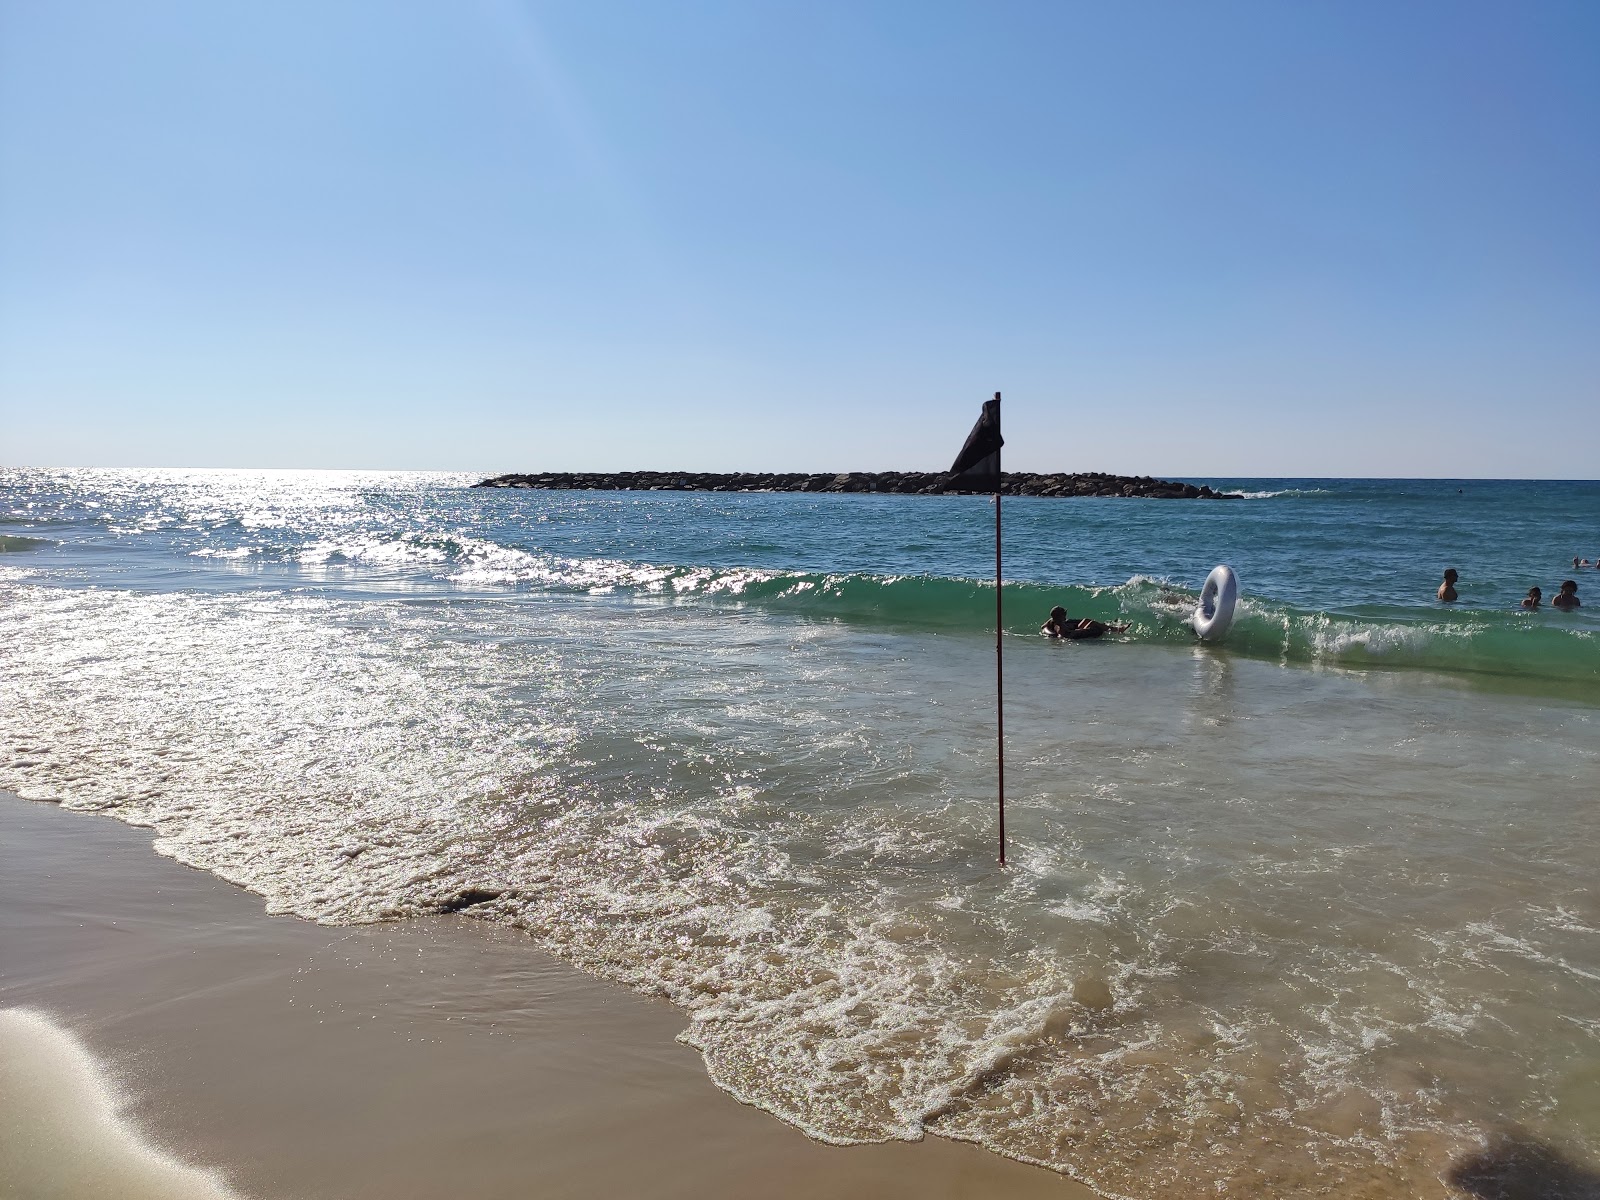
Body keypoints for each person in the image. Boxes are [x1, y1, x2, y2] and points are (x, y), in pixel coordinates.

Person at [1043, 605, 1128, 639]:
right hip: (1074, 635)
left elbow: (1043, 626)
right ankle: (1118, 630)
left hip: (1073, 631)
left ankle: (1110, 626)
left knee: (1086, 620)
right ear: (1060, 616)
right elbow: (1063, 635)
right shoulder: (1060, 626)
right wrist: (1080, 631)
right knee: (1092, 624)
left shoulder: (1052, 621)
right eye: (1064, 614)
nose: (1066, 615)